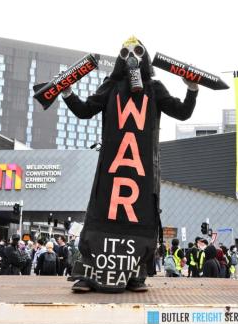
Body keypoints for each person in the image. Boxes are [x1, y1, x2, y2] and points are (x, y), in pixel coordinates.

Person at [61, 37, 198, 293]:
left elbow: (182, 112)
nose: (131, 56)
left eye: (137, 51)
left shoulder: (154, 88)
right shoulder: (110, 86)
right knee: (102, 212)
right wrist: (68, 93)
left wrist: (191, 90)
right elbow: (86, 110)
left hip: (140, 171)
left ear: (144, 57)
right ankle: (89, 273)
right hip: (113, 169)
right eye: (125, 52)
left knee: (140, 215)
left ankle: (137, 274)